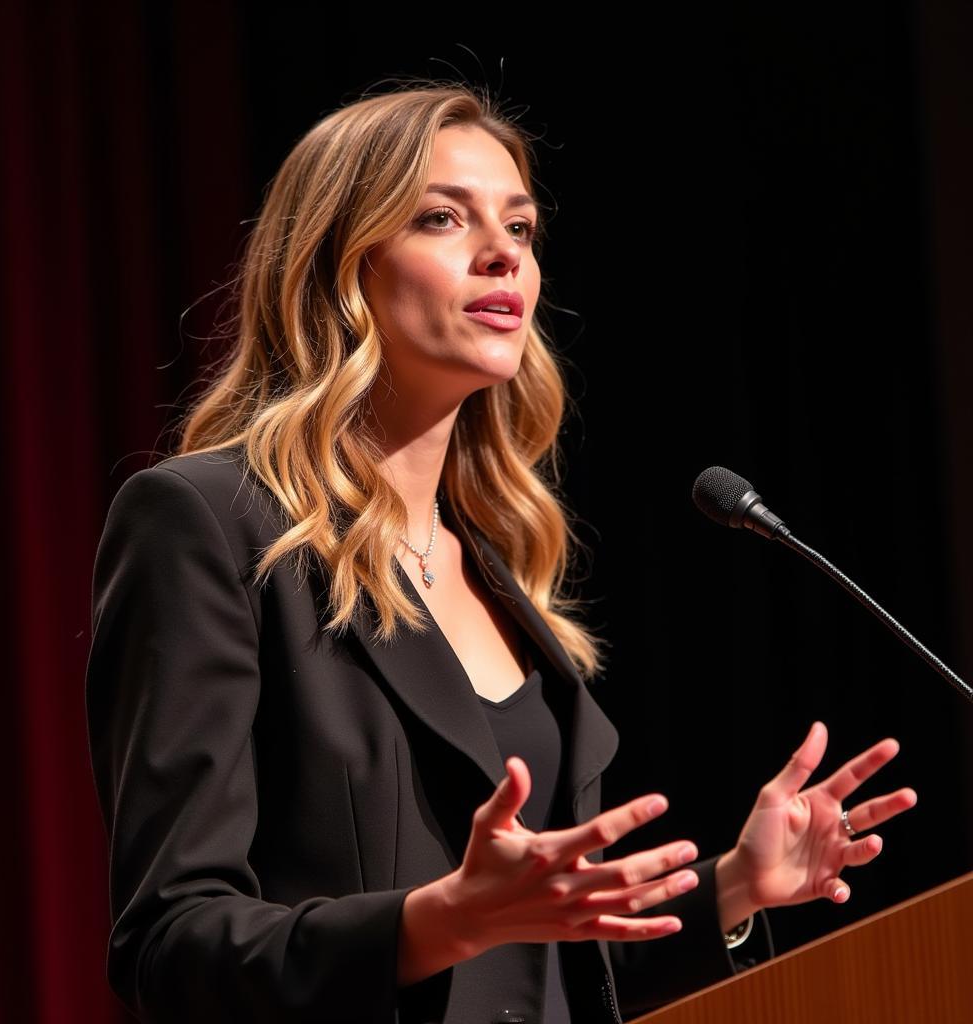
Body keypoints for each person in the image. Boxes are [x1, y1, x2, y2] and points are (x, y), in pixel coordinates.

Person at [84, 80, 918, 1024]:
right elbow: (170, 947)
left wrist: (729, 886)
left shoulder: (496, 564)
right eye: (443, 217)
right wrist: (433, 922)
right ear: (341, 266)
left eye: (519, 228)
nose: (503, 256)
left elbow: (538, 975)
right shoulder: (205, 523)